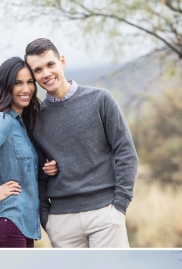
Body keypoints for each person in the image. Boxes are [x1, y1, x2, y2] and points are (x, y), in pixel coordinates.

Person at [24, 38, 138, 248]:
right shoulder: (34, 119)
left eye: (50, 64)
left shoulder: (100, 99)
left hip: (105, 215)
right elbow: (35, 173)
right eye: (38, 70)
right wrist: (46, 219)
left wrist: (120, 205)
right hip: (61, 222)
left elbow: (125, 151)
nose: (46, 73)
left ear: (62, 62)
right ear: (33, 77)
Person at [0, 56, 58, 248]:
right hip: (6, 221)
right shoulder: (3, 120)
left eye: (30, 82)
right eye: (18, 83)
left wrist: (46, 170)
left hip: (22, 225)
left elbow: (21, 171)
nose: (26, 89)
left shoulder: (22, 125)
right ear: (6, 86)